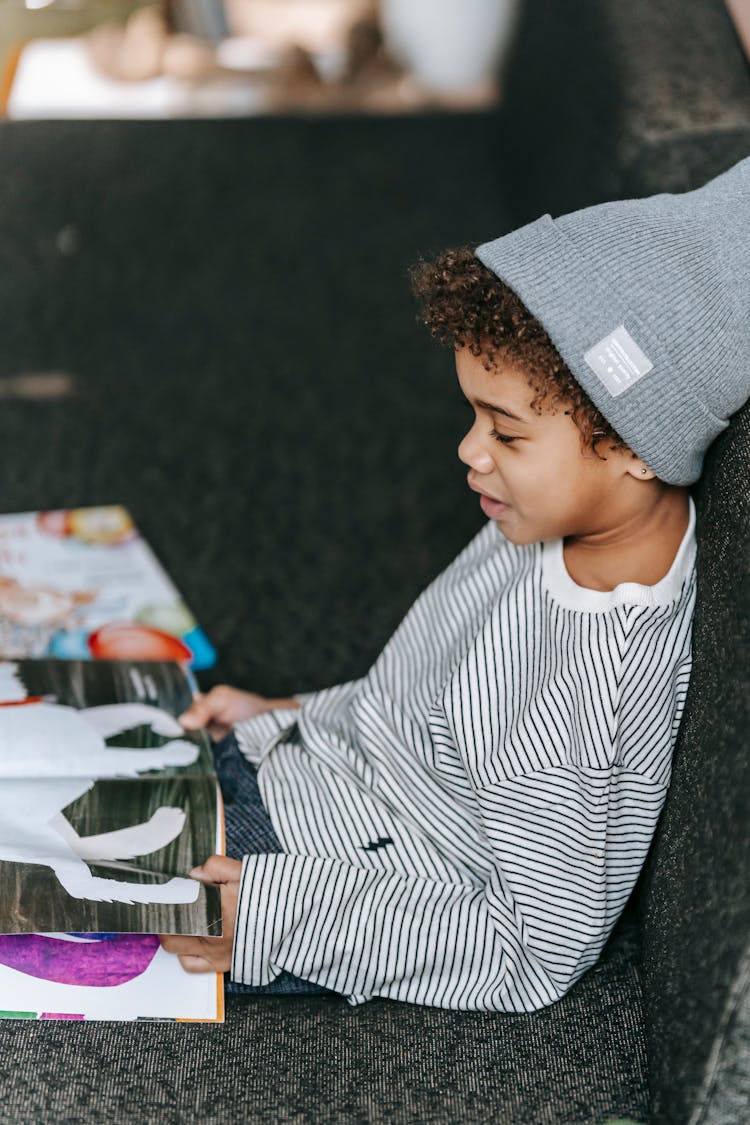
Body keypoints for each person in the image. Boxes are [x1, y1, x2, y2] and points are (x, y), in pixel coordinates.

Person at [160, 156, 749, 1011]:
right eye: (475, 417)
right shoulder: (544, 521)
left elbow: (530, 951)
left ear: (632, 443)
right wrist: (288, 714)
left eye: (505, 433)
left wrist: (274, 915)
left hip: (318, 887)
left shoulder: (592, 700)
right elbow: (417, 708)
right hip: (301, 776)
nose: (471, 452)